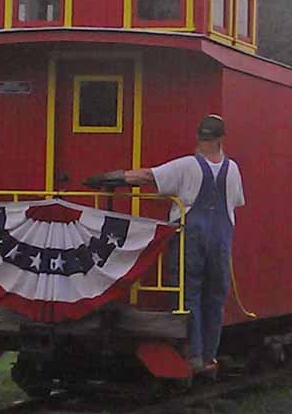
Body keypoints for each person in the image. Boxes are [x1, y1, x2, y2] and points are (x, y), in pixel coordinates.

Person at [87, 114, 245, 375]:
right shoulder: (234, 169)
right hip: (221, 239)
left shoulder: (187, 165)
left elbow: (147, 176)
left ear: (200, 137)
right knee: (215, 297)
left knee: (188, 293)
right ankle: (208, 356)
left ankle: (193, 353)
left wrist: (112, 178)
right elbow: (236, 202)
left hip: (191, 235)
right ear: (221, 138)